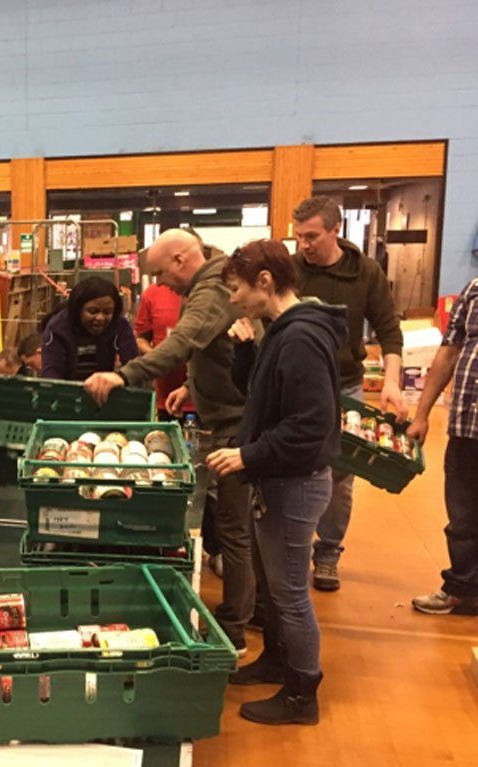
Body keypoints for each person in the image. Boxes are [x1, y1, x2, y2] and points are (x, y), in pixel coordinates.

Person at [84, 229, 254, 654]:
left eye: (161, 273)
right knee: (240, 527)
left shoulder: (212, 288)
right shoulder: (212, 283)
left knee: (235, 530)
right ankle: (254, 610)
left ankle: (234, 630)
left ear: (181, 260)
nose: (161, 284)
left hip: (238, 425)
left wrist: (124, 375)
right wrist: (194, 390)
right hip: (226, 416)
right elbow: (214, 350)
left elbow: (183, 342)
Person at [207, 239, 346, 726]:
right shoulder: (281, 332)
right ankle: (277, 660)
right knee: (273, 583)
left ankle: (301, 693)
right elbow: (263, 396)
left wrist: (248, 454)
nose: (233, 299)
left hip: (295, 484)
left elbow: (309, 423)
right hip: (278, 479)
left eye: (237, 289)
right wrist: (246, 353)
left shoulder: (301, 337)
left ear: (264, 281)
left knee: (289, 593)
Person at [292, 196, 406, 591]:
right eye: (299, 237)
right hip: (297, 387)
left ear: (335, 230)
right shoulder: (291, 270)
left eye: (312, 236)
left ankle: (327, 554)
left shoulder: (366, 273)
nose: (304, 245)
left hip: (345, 386)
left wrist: (391, 381)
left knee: (339, 476)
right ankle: (291, 548)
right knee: (292, 469)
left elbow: (389, 332)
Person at [406, 277, 478, 615]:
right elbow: (448, 353)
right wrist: (421, 414)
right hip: (466, 427)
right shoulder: (474, 289)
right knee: (462, 517)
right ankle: (462, 589)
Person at [40, 276, 138, 381]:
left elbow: (134, 368)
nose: (100, 318)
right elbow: (51, 376)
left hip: (104, 389)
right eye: (93, 311)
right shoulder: (57, 328)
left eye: (107, 312)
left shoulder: (120, 325)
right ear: (78, 309)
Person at [133, 280, 197, 421]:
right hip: (167, 397)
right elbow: (140, 339)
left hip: (204, 397)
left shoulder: (206, 293)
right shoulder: (152, 293)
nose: (160, 278)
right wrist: (160, 358)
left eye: (161, 272)